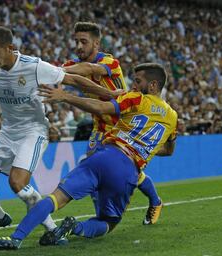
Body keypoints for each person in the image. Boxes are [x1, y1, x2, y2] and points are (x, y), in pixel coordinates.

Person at [0, 26, 119, 238]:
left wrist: (111, 94)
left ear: (10, 48)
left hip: (34, 131)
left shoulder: (34, 66)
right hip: (7, 132)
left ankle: (53, 230)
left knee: (17, 182)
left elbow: (74, 79)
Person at [0, 63, 177, 250]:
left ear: (153, 85)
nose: (134, 85)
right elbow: (168, 151)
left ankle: (15, 239)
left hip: (103, 156)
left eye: (138, 81)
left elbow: (101, 108)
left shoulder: (138, 99)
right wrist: (143, 148)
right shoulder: (173, 117)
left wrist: (66, 96)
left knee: (55, 199)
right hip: (128, 169)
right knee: (108, 222)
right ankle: (75, 227)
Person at [63, 21, 164, 225]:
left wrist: (57, 70)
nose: (79, 46)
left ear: (97, 43)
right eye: (76, 42)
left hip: (123, 126)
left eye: (84, 41)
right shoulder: (73, 65)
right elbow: (63, 74)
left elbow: (88, 69)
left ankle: (155, 201)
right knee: (93, 165)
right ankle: (102, 214)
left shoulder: (110, 63)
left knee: (132, 172)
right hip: (99, 126)